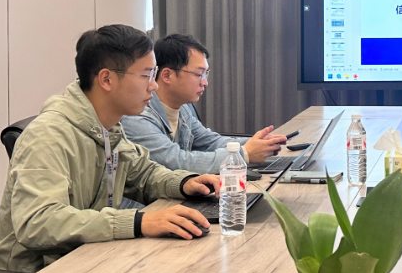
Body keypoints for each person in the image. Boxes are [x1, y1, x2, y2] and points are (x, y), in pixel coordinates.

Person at [0, 25, 221, 273]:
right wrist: (138, 222)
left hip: (87, 260)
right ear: (106, 79)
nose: (154, 86)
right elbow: (38, 222)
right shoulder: (48, 135)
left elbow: (144, 175)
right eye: (146, 75)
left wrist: (186, 183)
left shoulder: (108, 126)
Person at [121, 34, 286, 174]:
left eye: (206, 73)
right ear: (167, 75)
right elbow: (176, 162)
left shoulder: (183, 108)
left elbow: (210, 142)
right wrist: (244, 154)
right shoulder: (137, 117)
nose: (205, 82)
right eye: (199, 74)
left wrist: (260, 143)